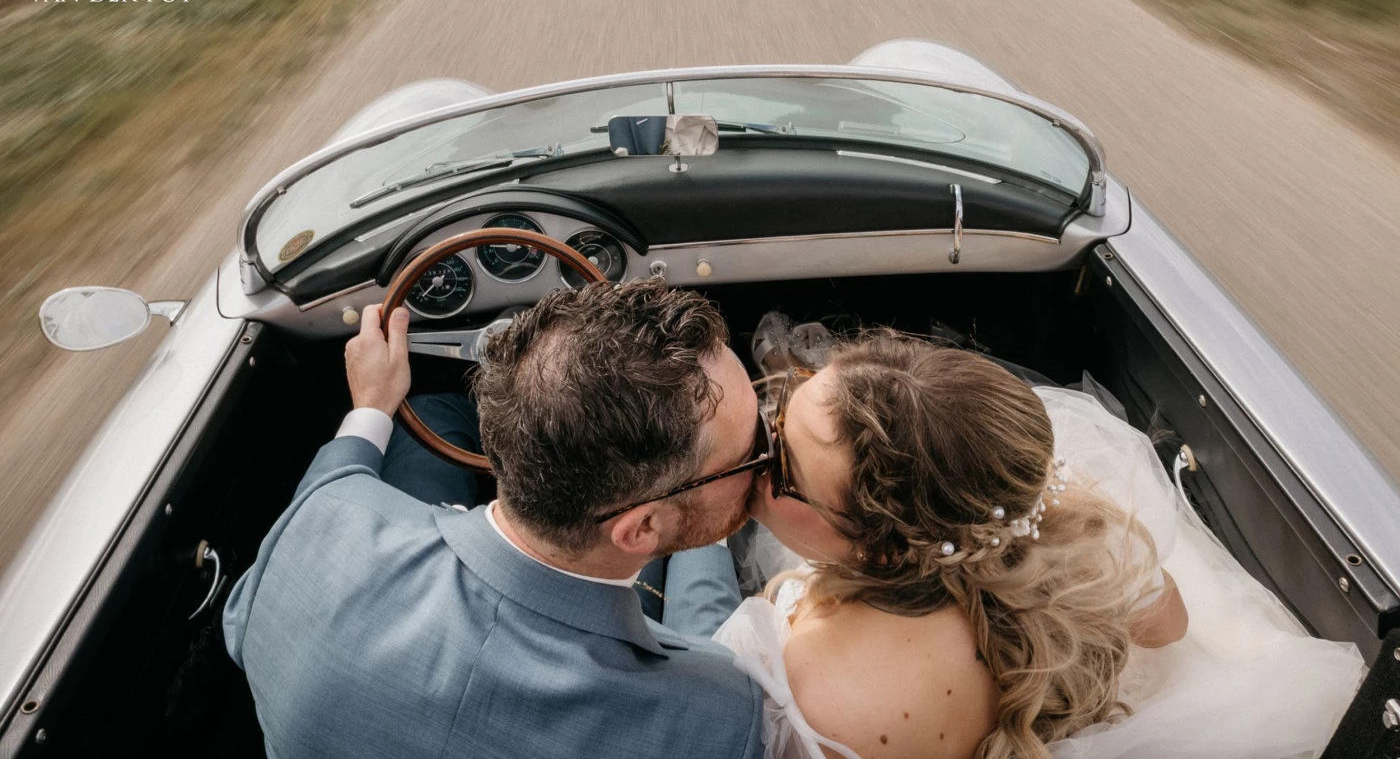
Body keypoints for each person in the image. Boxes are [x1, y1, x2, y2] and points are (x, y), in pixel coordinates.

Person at [714, 331, 1366, 759]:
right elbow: (1171, 627)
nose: (758, 452)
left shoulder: (810, 690)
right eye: (782, 410)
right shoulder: (1072, 546)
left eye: (784, 470)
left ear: (882, 550)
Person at [223, 280, 768, 759]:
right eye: (752, 452)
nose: (770, 448)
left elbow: (324, 503)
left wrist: (371, 405)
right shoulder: (715, 715)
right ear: (641, 530)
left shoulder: (317, 527)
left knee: (433, 413)